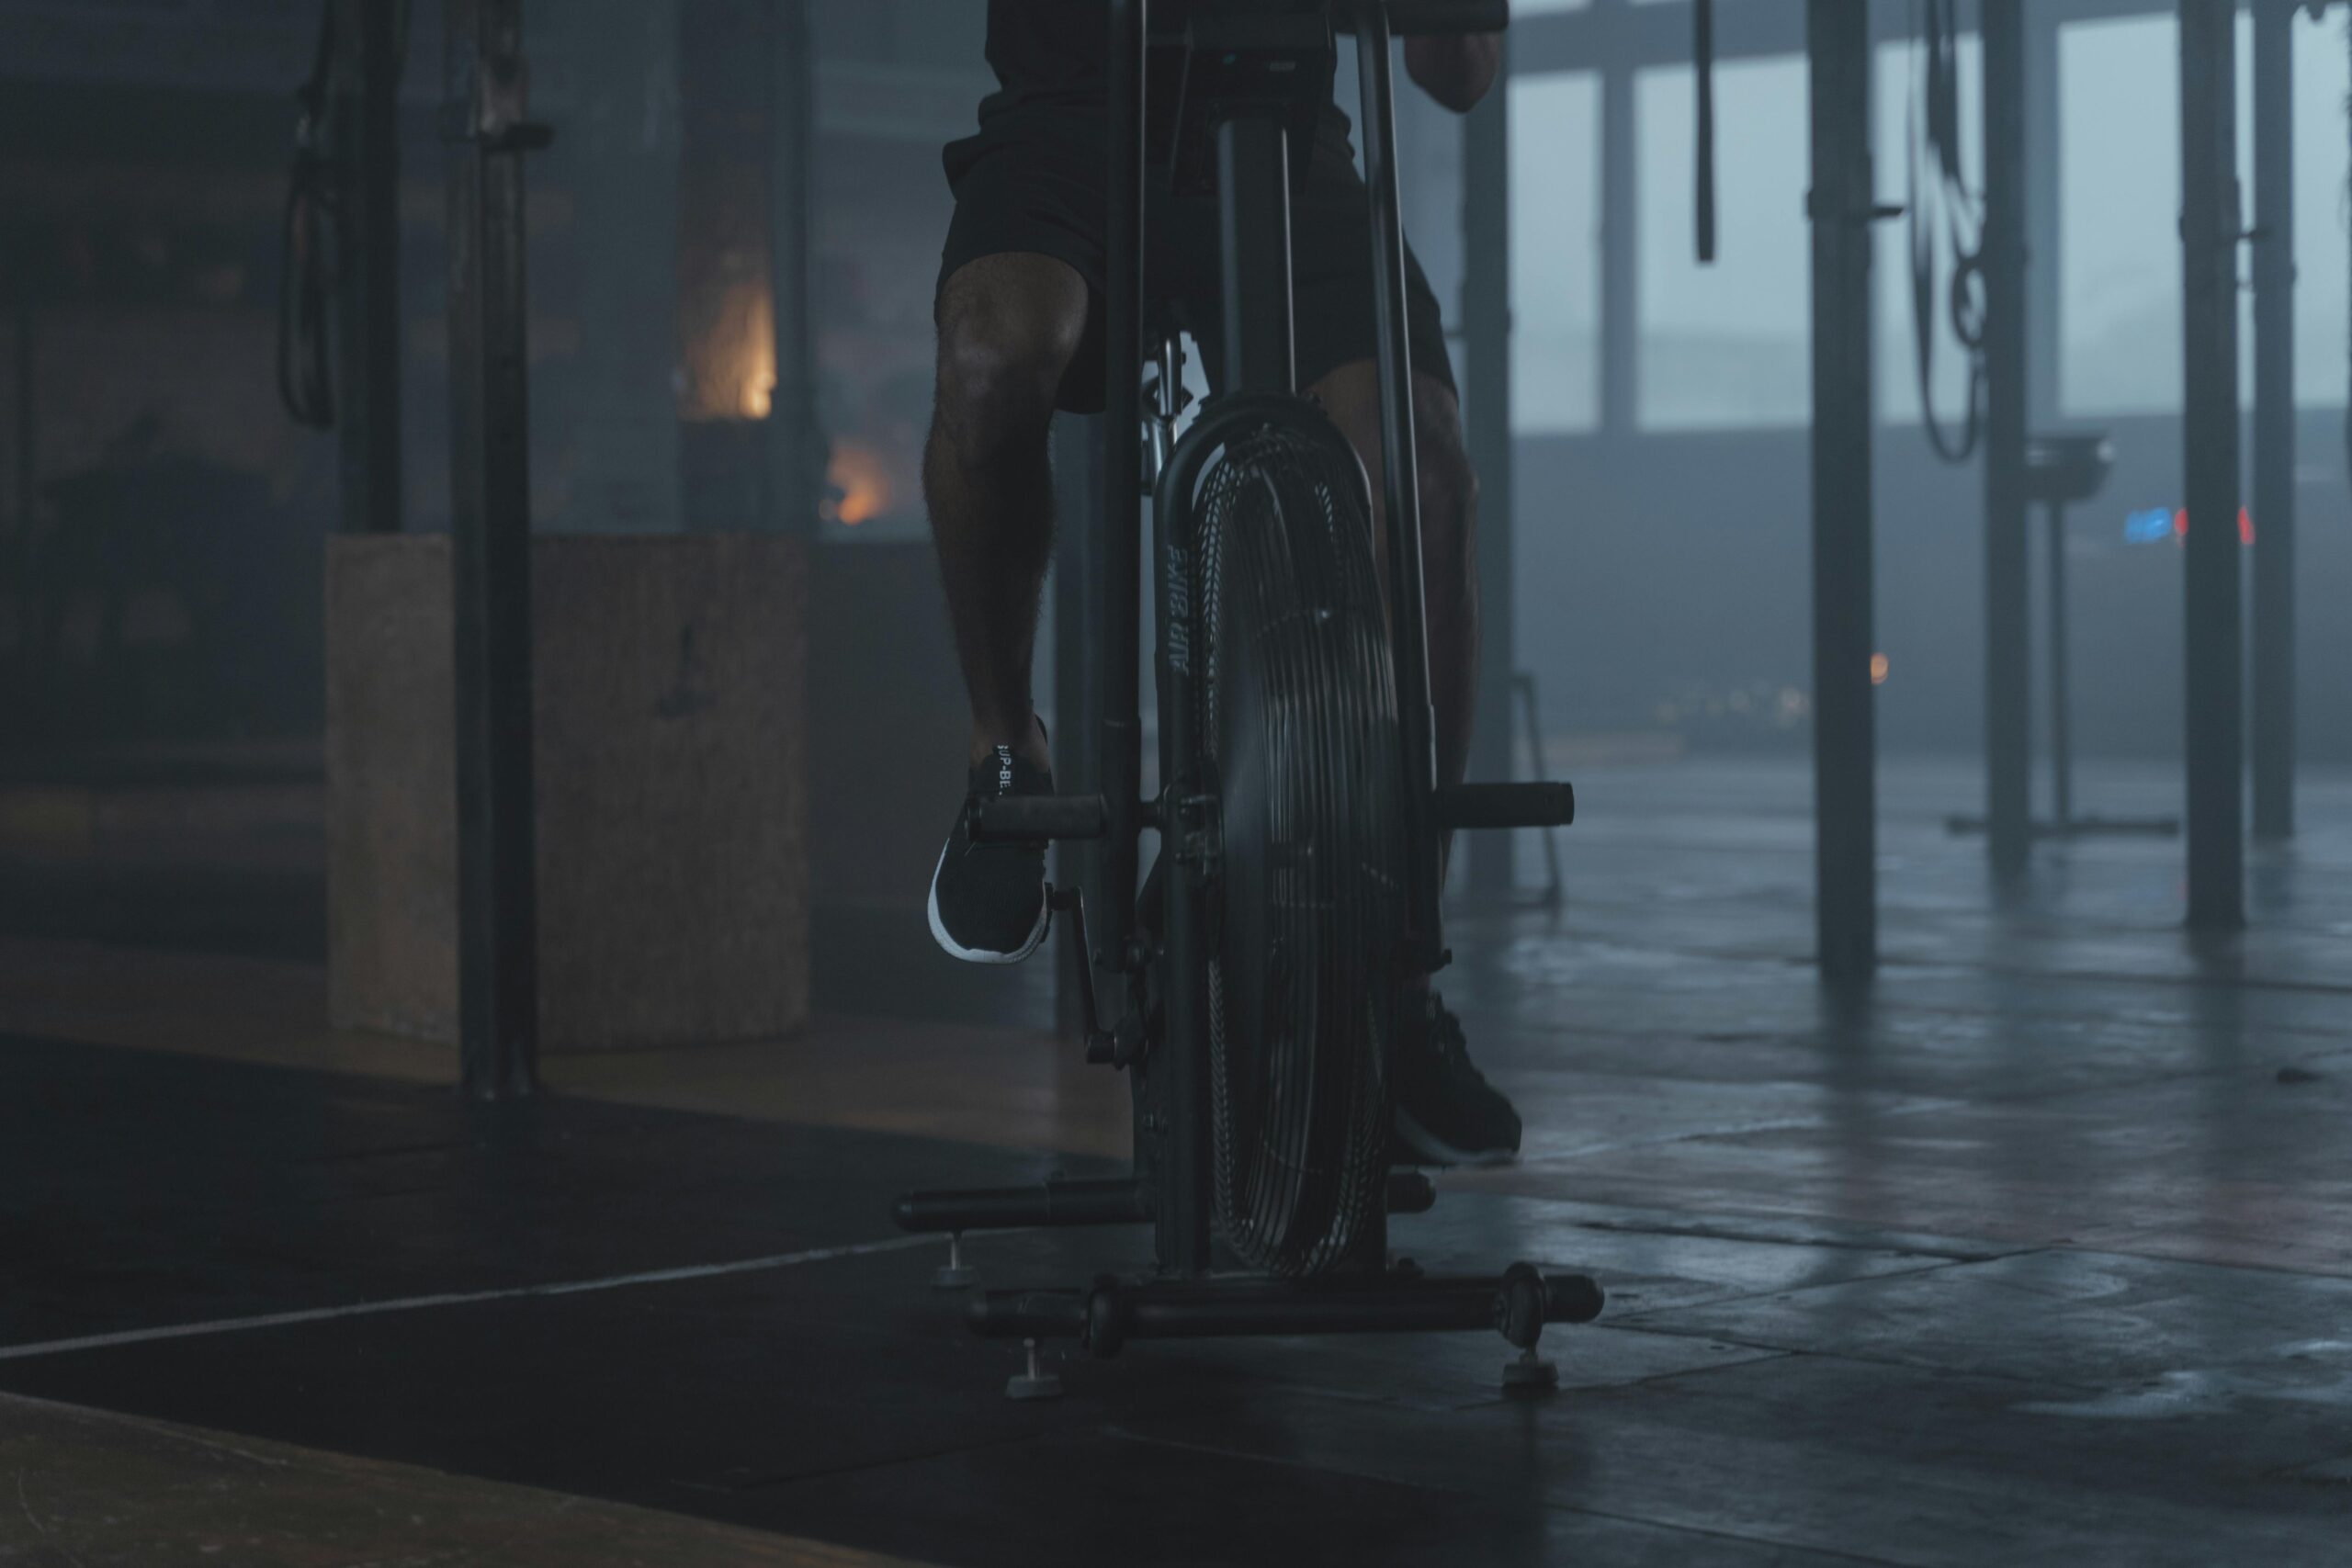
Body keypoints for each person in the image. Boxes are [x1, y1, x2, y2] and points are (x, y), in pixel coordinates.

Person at [922, 0, 1521, 1167]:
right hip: (1069, 140)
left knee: (1430, 478)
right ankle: (1007, 757)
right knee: (991, 361)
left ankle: (1398, 955)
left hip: (1283, 138)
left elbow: (1458, 73)